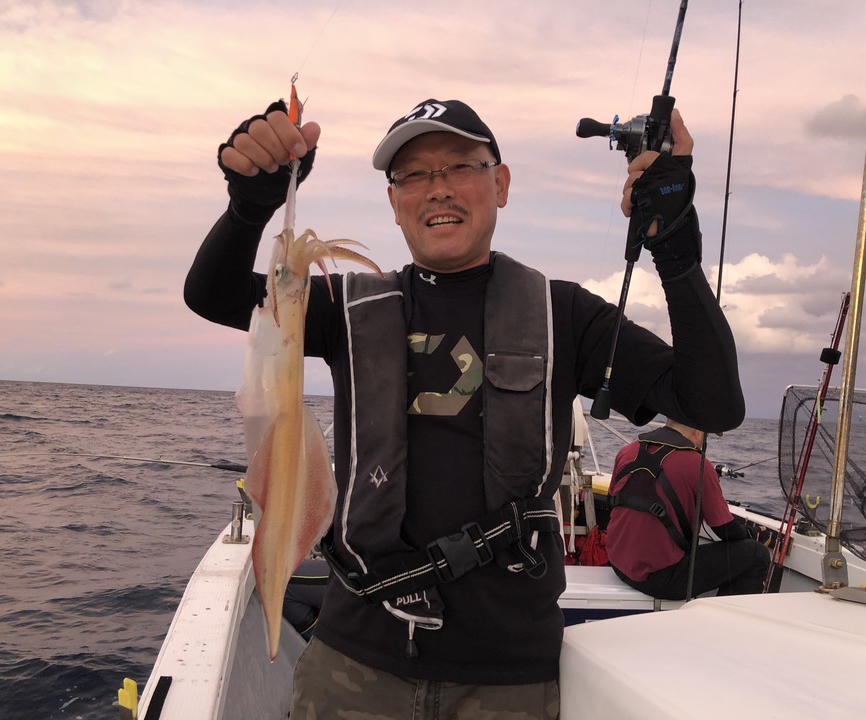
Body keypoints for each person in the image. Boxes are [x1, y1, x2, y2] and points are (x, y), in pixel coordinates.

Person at [184, 96, 745, 719]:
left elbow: (710, 404)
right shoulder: (344, 308)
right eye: (415, 174)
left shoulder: (564, 315)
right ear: (394, 201)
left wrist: (675, 246)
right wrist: (251, 206)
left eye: (460, 166)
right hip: (352, 661)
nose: (438, 188)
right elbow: (212, 294)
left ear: (500, 184)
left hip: (507, 679)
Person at [605, 418, 770, 599]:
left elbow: (611, 500)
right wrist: (751, 533)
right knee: (757, 555)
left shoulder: (627, 451)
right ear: (698, 432)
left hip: (618, 564)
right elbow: (725, 531)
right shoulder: (699, 464)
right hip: (660, 579)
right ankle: (722, 616)